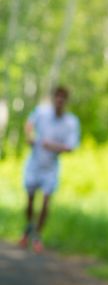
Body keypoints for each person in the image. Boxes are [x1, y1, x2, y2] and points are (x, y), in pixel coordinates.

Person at [18, 86, 80, 253]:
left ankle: (37, 235)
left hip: (51, 168)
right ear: (53, 98)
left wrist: (52, 146)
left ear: (66, 101)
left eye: (63, 98)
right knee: (30, 199)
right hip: (34, 164)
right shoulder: (41, 112)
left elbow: (71, 147)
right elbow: (29, 123)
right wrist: (29, 137)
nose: (59, 101)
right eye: (57, 97)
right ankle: (29, 228)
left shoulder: (71, 122)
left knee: (46, 200)